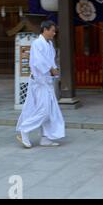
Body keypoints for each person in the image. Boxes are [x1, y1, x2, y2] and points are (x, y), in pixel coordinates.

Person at [16, 20, 65, 148]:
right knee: (44, 111)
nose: (54, 33)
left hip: (46, 81)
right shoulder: (37, 43)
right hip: (39, 81)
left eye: (55, 31)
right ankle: (24, 130)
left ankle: (45, 138)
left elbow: (50, 61)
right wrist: (51, 69)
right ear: (45, 29)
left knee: (50, 111)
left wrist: (55, 70)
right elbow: (38, 62)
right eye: (52, 31)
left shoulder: (49, 44)